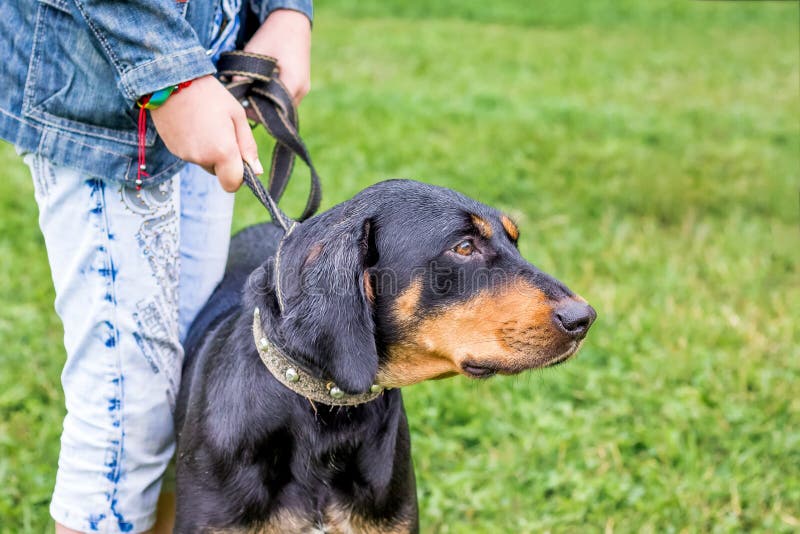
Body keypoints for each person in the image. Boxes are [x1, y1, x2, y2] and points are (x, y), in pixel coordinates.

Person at [0, 0, 312, 532]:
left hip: (210, 68)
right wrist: (168, 74)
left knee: (188, 398)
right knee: (127, 424)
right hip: (107, 90)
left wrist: (287, 11)